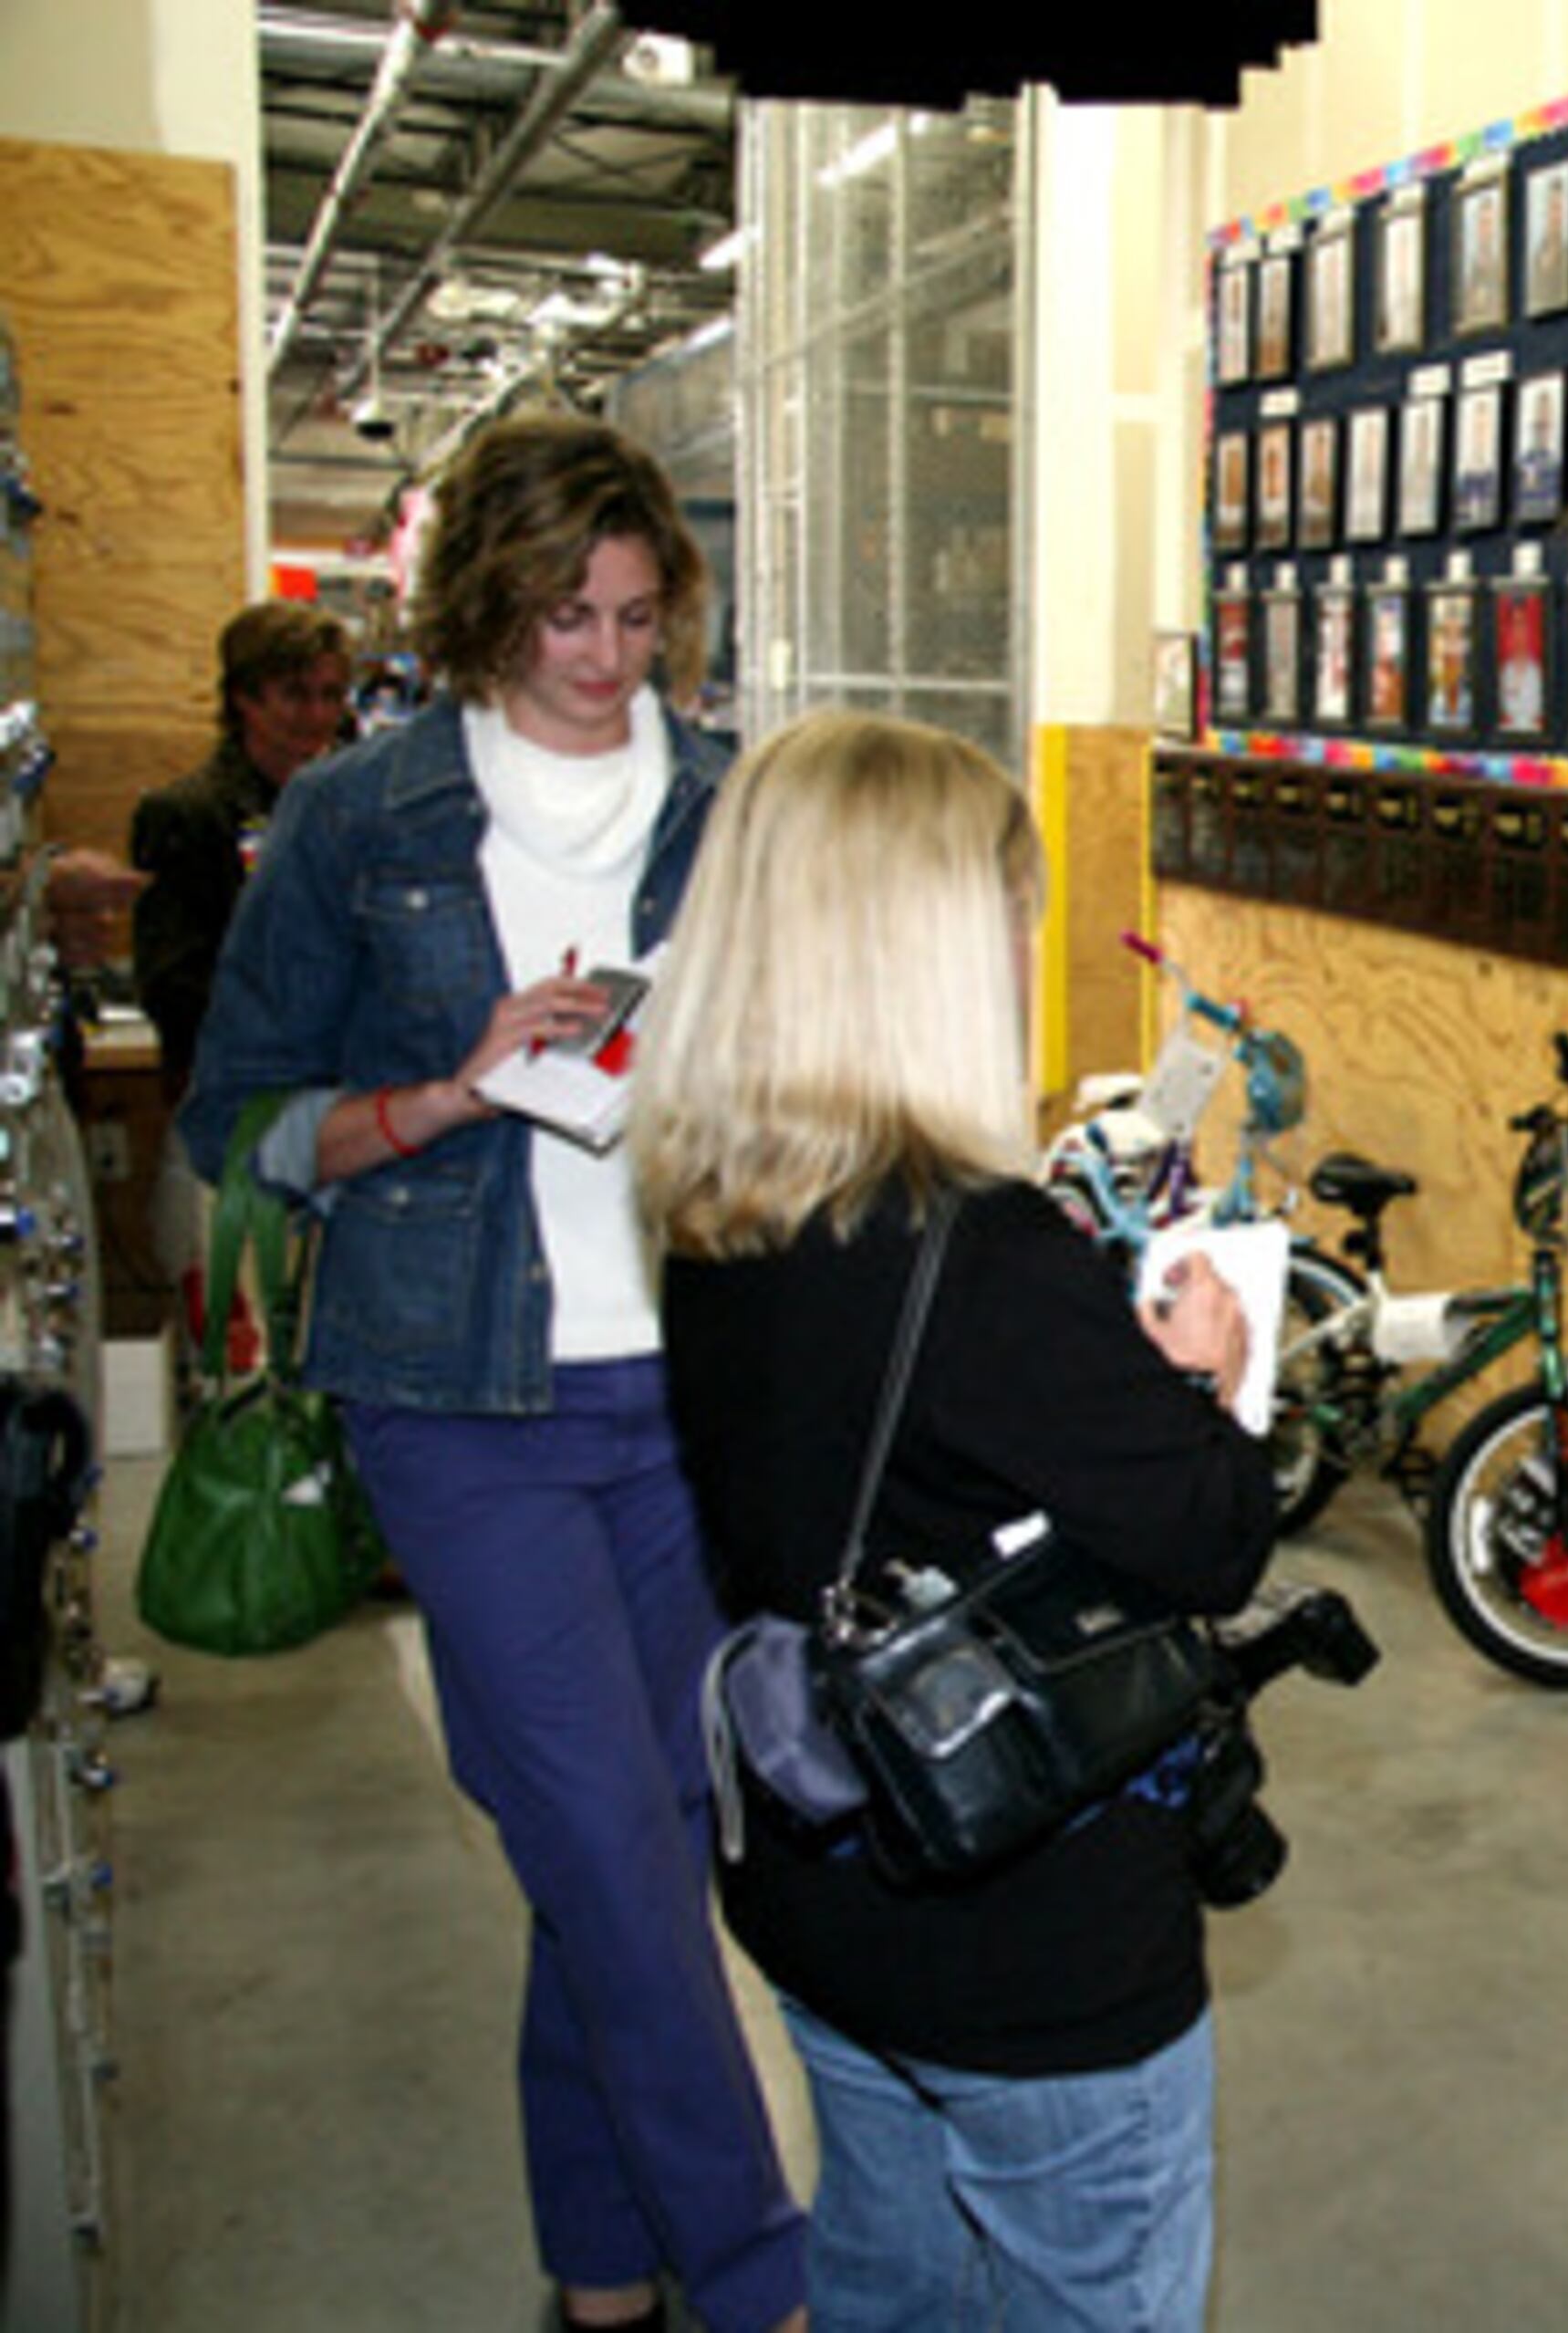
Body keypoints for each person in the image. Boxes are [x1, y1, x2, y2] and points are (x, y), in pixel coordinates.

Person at [180, 412, 806, 2333]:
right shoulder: (366, 820)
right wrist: (456, 1088)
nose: (604, 659)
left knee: (632, 1850)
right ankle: (766, 2282)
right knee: (609, 1839)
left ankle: (600, 2275)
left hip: (691, 1397)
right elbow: (235, 1125)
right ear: (482, 613)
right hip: (461, 1409)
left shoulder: (733, 804)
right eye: (562, 619)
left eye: (633, 616)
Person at [632, 711, 1277, 2330]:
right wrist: (1207, 1382)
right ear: (925, 948)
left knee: (891, 2275)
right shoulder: (985, 1256)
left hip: (820, 1881)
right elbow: (1215, 1540)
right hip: (1024, 1938)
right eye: (1006, 907)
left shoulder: (722, 1204)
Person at [130, 599, 352, 1099]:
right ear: (244, 699)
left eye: (331, 695)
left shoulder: (359, 811)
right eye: (295, 695)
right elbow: (173, 985)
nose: (317, 715)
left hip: (342, 1096)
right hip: (232, 1094)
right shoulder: (188, 814)